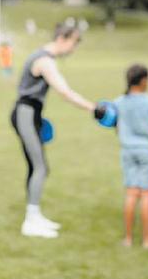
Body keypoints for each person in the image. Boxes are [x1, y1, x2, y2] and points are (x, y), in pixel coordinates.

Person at [11, 19, 96, 238]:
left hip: (31, 114)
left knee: (37, 166)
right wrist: (93, 108)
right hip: (26, 114)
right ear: (61, 39)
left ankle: (35, 215)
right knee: (40, 167)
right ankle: (30, 221)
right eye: (74, 43)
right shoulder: (45, 61)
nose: (74, 49)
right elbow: (64, 92)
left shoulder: (43, 57)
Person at [113, 64, 148, 249]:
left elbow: (117, 128)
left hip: (127, 151)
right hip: (147, 151)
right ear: (143, 80)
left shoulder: (119, 102)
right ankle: (147, 241)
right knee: (146, 195)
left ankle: (127, 239)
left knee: (131, 193)